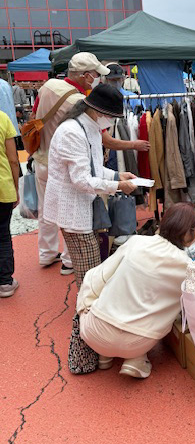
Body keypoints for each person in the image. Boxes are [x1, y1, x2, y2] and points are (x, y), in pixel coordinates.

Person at [44, 84, 138, 374]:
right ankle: (87, 350)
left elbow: (94, 169)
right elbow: (81, 179)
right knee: (89, 281)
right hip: (74, 211)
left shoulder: (90, 129)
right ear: (99, 111)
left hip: (85, 208)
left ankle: (97, 344)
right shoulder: (72, 132)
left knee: (93, 276)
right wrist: (117, 185)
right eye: (111, 116)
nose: (112, 122)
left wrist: (117, 174)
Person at [76, 203, 195, 379]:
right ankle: (136, 358)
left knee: (94, 285)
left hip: (95, 332)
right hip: (140, 341)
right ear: (188, 233)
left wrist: (86, 303)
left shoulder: (136, 242)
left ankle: (104, 355)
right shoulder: (188, 267)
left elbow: (98, 278)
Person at [32, 52, 108, 274]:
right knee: (72, 211)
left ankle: (46, 254)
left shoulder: (48, 86)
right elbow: (100, 134)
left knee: (46, 209)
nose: (97, 79)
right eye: (95, 75)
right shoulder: (79, 101)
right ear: (85, 75)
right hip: (65, 164)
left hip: (42, 157)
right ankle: (69, 260)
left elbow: (35, 114)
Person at [0, 110, 20, 298]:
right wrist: (15, 187)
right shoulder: (3, 118)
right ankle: (5, 282)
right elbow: (13, 159)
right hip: (2, 186)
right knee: (3, 235)